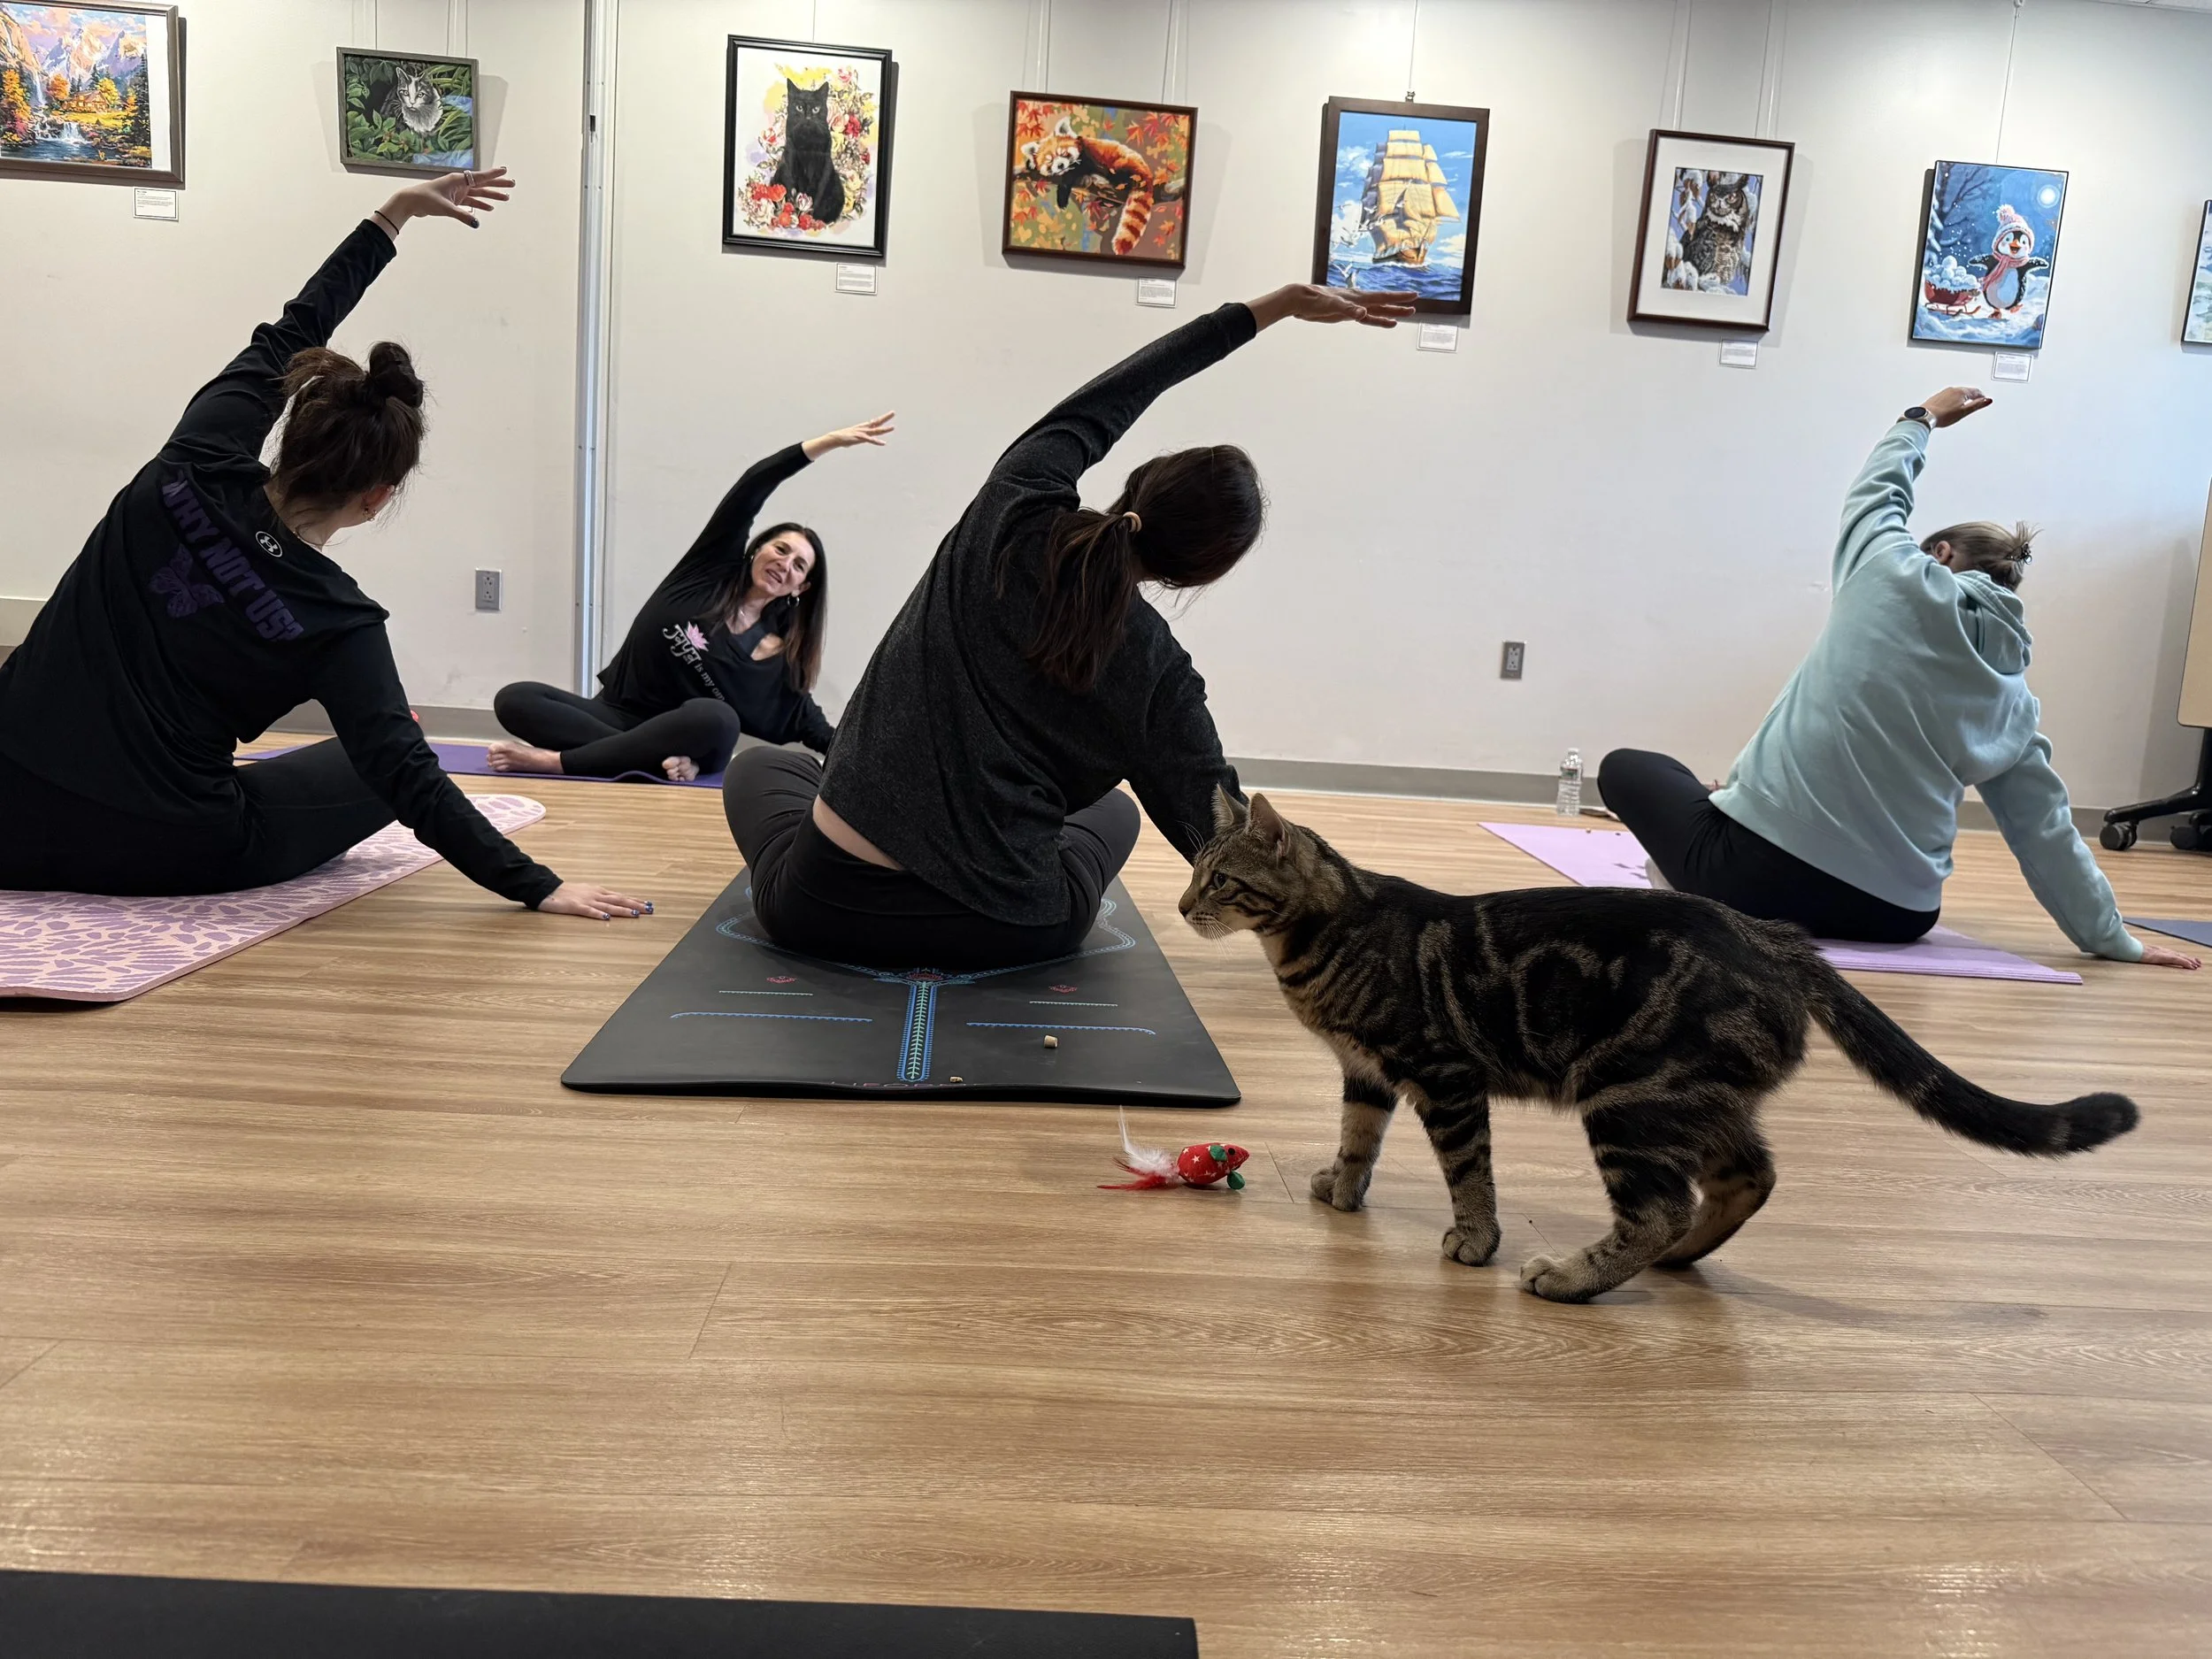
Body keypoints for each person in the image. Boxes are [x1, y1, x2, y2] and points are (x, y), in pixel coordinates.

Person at [0, 172, 649, 923]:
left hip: (8, 817)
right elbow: (404, 774)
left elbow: (294, 327)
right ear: (377, 498)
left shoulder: (194, 458)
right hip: (167, 845)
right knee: (393, 737)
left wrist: (393, 214)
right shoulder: (340, 619)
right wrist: (538, 884)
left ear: (292, 428)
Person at [720, 281, 1416, 972]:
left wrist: (1274, 307)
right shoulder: (1160, 673)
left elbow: (1124, 387)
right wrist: (1365, 934)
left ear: (1138, 483)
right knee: (1115, 814)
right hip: (1008, 929)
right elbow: (1224, 832)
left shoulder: (1012, 507)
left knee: (763, 766)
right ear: (1196, 575)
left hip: (821, 910)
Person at [1599, 387, 2197, 970]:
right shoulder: (2014, 701)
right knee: (1714, 800)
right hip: (1895, 915)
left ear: (1937, 552)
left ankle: (1697, 862)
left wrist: (1922, 418)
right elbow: (2045, 829)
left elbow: (1877, 491)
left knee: (1630, 765)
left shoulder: (1889, 571)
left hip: (1750, 878)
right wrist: (2114, 937)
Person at [487, 414, 893, 783]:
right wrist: (827, 442)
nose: (785, 564)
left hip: (692, 730)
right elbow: (751, 488)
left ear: (801, 588)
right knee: (515, 700)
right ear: (757, 548)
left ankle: (560, 762)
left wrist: (890, 770)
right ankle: (646, 762)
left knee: (717, 718)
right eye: (781, 549)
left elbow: (823, 735)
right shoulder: (703, 576)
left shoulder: (778, 661)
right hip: (613, 715)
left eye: (800, 565)